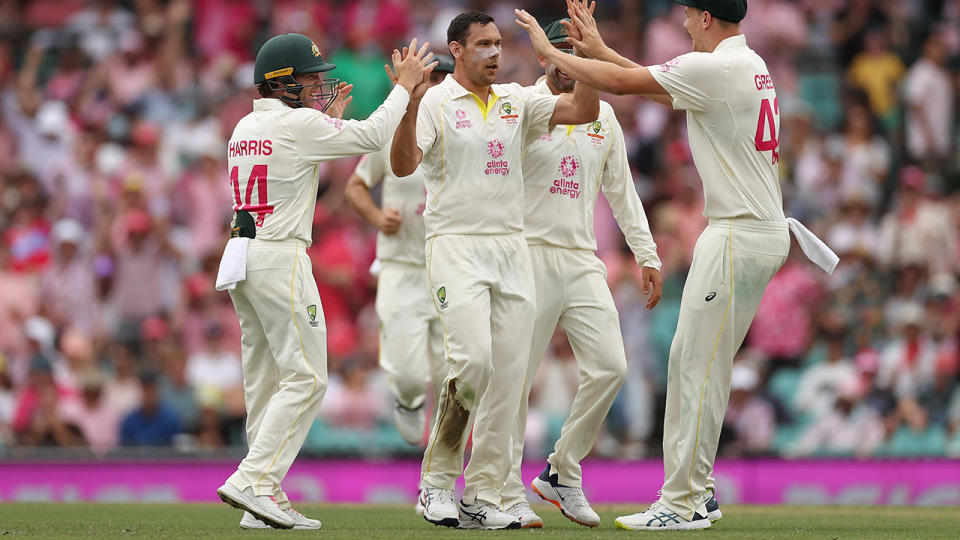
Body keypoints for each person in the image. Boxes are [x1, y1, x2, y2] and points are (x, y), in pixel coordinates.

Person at [515, 0, 837, 530]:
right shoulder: (747, 64)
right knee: (702, 366)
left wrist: (553, 53)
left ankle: (682, 501)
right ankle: (698, 491)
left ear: (707, 17)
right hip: (756, 232)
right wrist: (594, 49)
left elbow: (627, 85)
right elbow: (646, 80)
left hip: (736, 234)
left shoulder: (716, 68)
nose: (684, 24)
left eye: (689, 14)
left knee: (695, 369)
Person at [213, 32, 436, 530]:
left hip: (243, 257)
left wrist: (326, 118)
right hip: (281, 257)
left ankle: (263, 497)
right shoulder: (296, 124)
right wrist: (403, 87)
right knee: (308, 378)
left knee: (266, 380)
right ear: (283, 83)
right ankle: (254, 480)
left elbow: (298, 155)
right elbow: (374, 136)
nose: (319, 87)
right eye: (311, 80)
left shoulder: (245, 126)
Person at [390, 11, 599, 530]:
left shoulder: (516, 100)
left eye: (498, 44)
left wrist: (584, 55)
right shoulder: (436, 101)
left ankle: (482, 494)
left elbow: (579, 108)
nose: (494, 53)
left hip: (512, 249)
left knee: (508, 379)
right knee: (474, 366)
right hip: (455, 247)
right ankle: (436, 483)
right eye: (482, 44)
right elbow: (401, 166)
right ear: (456, 50)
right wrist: (411, 99)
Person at [500, 19, 662, 529]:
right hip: (527, 254)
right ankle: (503, 491)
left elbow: (622, 190)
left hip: (581, 258)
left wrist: (647, 253)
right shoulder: (524, 106)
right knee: (515, 380)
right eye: (562, 54)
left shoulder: (604, 118)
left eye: (580, 56)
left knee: (612, 366)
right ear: (545, 58)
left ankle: (561, 470)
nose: (570, 65)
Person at [344, 55, 455, 447]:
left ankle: (443, 450)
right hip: (400, 267)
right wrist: (377, 216)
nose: (436, 84)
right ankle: (408, 402)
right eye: (430, 76)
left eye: (444, 77)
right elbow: (355, 186)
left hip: (449, 268)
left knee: (452, 374)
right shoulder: (393, 133)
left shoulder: (461, 131)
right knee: (408, 374)